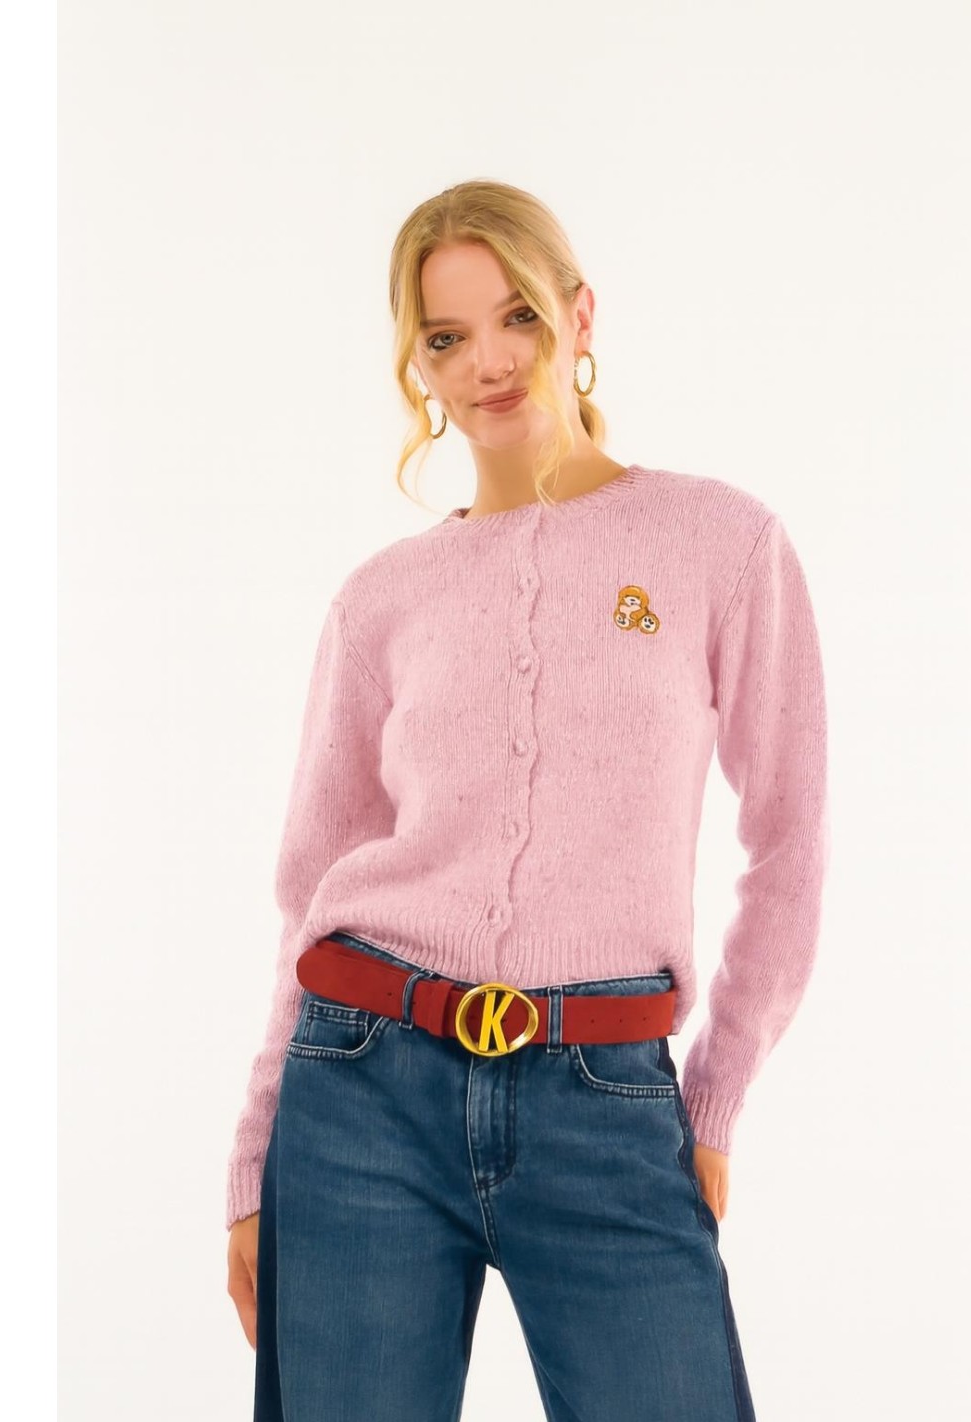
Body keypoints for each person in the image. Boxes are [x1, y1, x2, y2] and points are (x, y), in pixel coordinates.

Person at [224, 179, 830, 1421]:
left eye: (516, 318)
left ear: (578, 313)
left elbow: (790, 837)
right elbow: (307, 887)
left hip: (605, 1098)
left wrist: (714, 1094)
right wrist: (254, 1157)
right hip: (359, 1091)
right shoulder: (380, 599)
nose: (488, 363)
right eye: (446, 337)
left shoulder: (719, 544)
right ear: (418, 367)